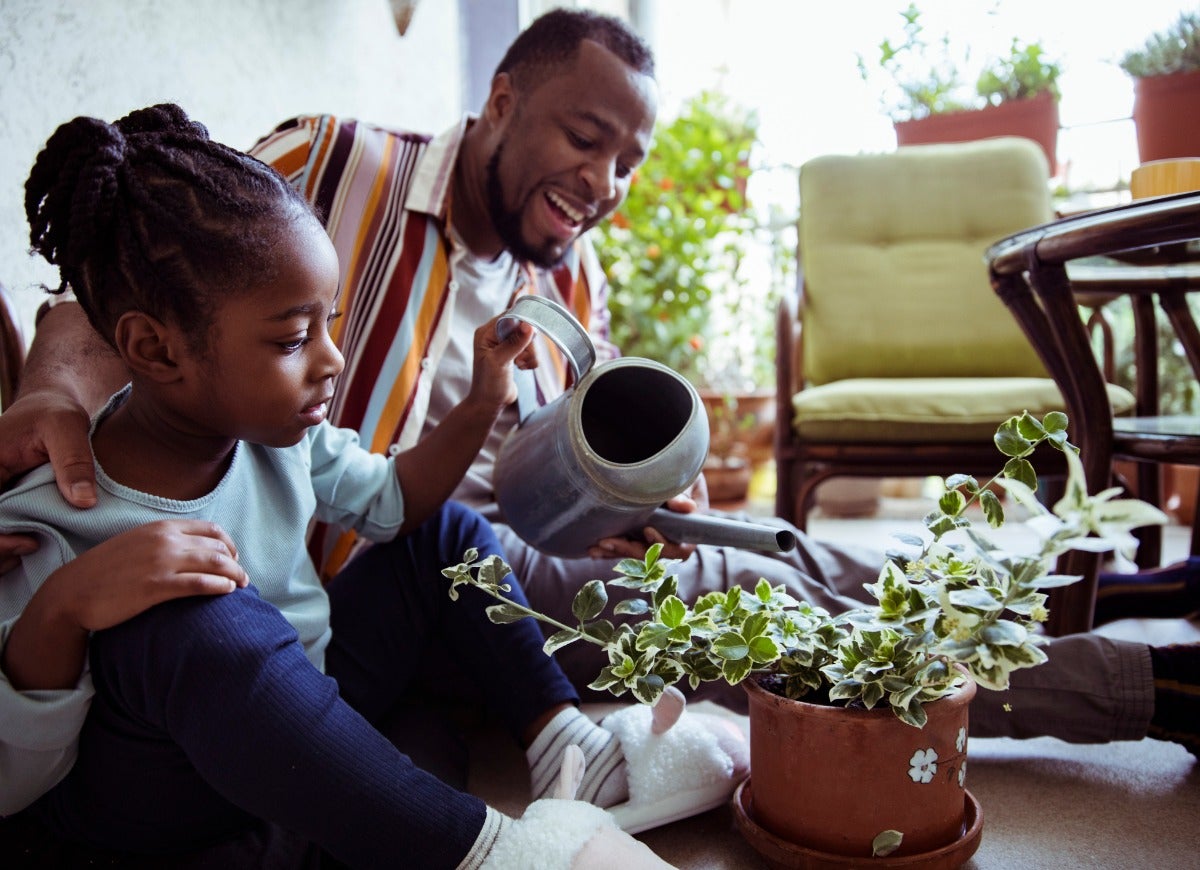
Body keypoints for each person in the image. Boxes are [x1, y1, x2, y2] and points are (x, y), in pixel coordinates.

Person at [0, 6, 1196, 771]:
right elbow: (109, 286)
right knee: (753, 609)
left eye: (629, 159)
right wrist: (49, 393)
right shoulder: (333, 162)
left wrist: (614, 505)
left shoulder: (573, 277)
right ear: (503, 101)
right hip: (389, 580)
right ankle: (1152, 686)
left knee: (773, 541)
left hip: (514, 548)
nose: (606, 179)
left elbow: (559, 468)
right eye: (587, 137)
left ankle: (1119, 601)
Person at [0, 102, 753, 868]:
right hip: (162, 798)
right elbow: (11, 781)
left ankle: (567, 746)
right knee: (201, 626)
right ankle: (490, 854)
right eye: (295, 338)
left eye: (330, 324)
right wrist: (64, 607)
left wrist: (485, 397)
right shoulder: (50, 514)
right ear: (153, 350)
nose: (331, 360)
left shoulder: (279, 441)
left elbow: (397, 500)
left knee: (447, 538)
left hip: (303, 715)